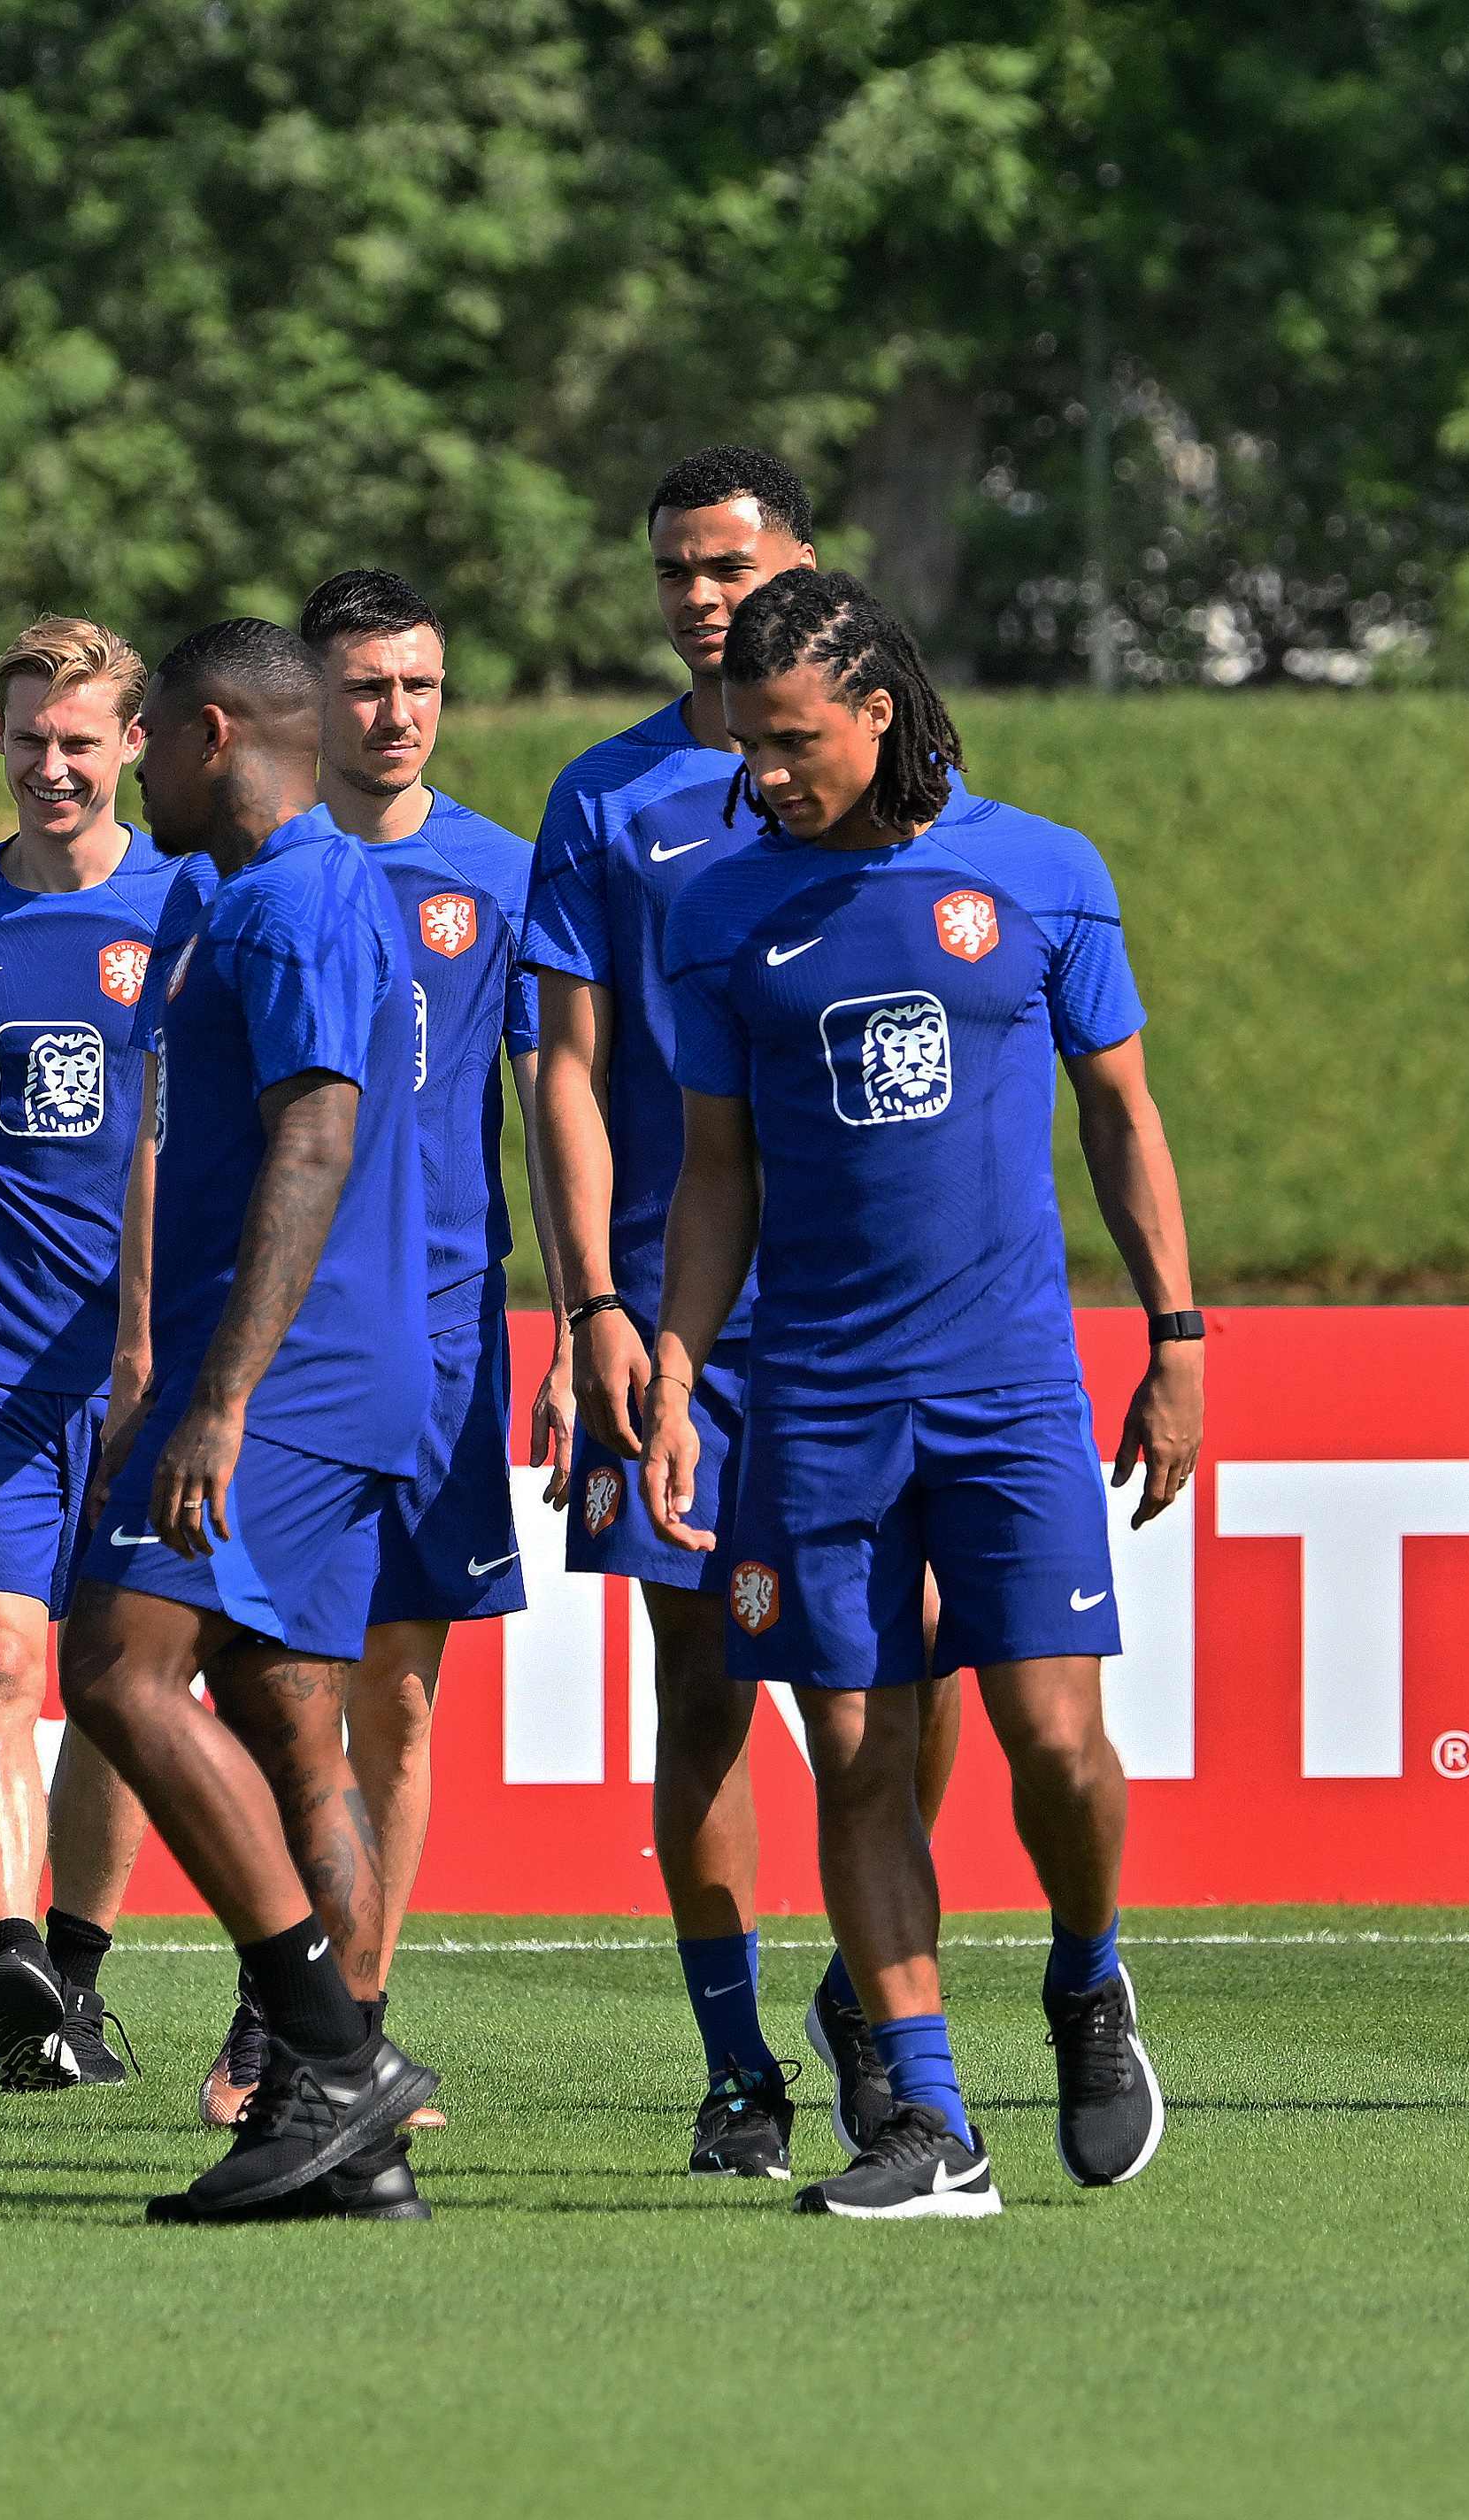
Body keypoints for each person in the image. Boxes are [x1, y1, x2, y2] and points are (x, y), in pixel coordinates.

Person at [642, 568, 1197, 2219]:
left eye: (795, 739)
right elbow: (714, 1176)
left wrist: (1174, 1339)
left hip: (1010, 1386)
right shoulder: (718, 910)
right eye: (749, 743)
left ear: (878, 709)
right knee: (861, 1753)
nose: (765, 772)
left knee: (1052, 1742)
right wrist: (676, 1367)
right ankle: (930, 2121)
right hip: (813, 1394)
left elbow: (1121, 1119)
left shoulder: (1042, 871)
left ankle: (1088, 1977)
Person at [520, 446, 954, 2177]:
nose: (699, 596)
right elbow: (562, 1068)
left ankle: (873, 1998)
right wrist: (589, 1309)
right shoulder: (603, 798)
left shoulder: (888, 783)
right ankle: (733, 2071)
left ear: (797, 567)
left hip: (862, 1318)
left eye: (726, 563)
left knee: (888, 1702)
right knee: (697, 1681)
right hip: (671, 1320)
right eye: (674, 573)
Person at [58, 618, 440, 2225]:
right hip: (314, 1369)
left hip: (286, 1382)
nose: (131, 764)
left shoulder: (284, 899)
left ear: (212, 733)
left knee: (115, 1670)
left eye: (145, 735)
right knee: (290, 1724)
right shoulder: (274, 893)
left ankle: (335, 2055)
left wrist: (215, 1400)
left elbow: (313, 1144)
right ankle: (345, 2147)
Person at [254, 564, 546, 2131]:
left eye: (420, 684)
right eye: (367, 686)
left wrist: (587, 1318)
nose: (397, 713)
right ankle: (278, 2000)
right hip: (284, 1336)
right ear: (315, 698)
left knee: (403, 1696)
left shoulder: (498, 876)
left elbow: (554, 1115)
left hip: (444, 1331)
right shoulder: (256, 873)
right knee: (275, 1682)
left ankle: (353, 2024)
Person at [0, 619, 185, 2092]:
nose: (51, 765)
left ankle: (71, 1975)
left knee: (122, 1680)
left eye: (80, 740)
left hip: (156, 1373)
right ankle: (8, 1949)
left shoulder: (198, 905)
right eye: (27, 738)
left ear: (134, 743)